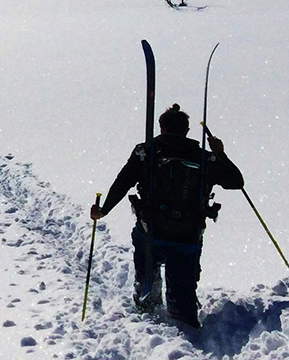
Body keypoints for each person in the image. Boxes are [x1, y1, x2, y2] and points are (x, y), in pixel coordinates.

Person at [90, 103, 244, 328]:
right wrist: (220, 154)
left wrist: (103, 210)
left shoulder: (145, 153)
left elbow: (122, 183)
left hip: (151, 232)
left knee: (147, 277)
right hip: (188, 235)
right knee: (182, 289)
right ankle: (184, 319)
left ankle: (148, 309)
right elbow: (236, 182)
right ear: (187, 130)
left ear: (161, 127)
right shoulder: (203, 157)